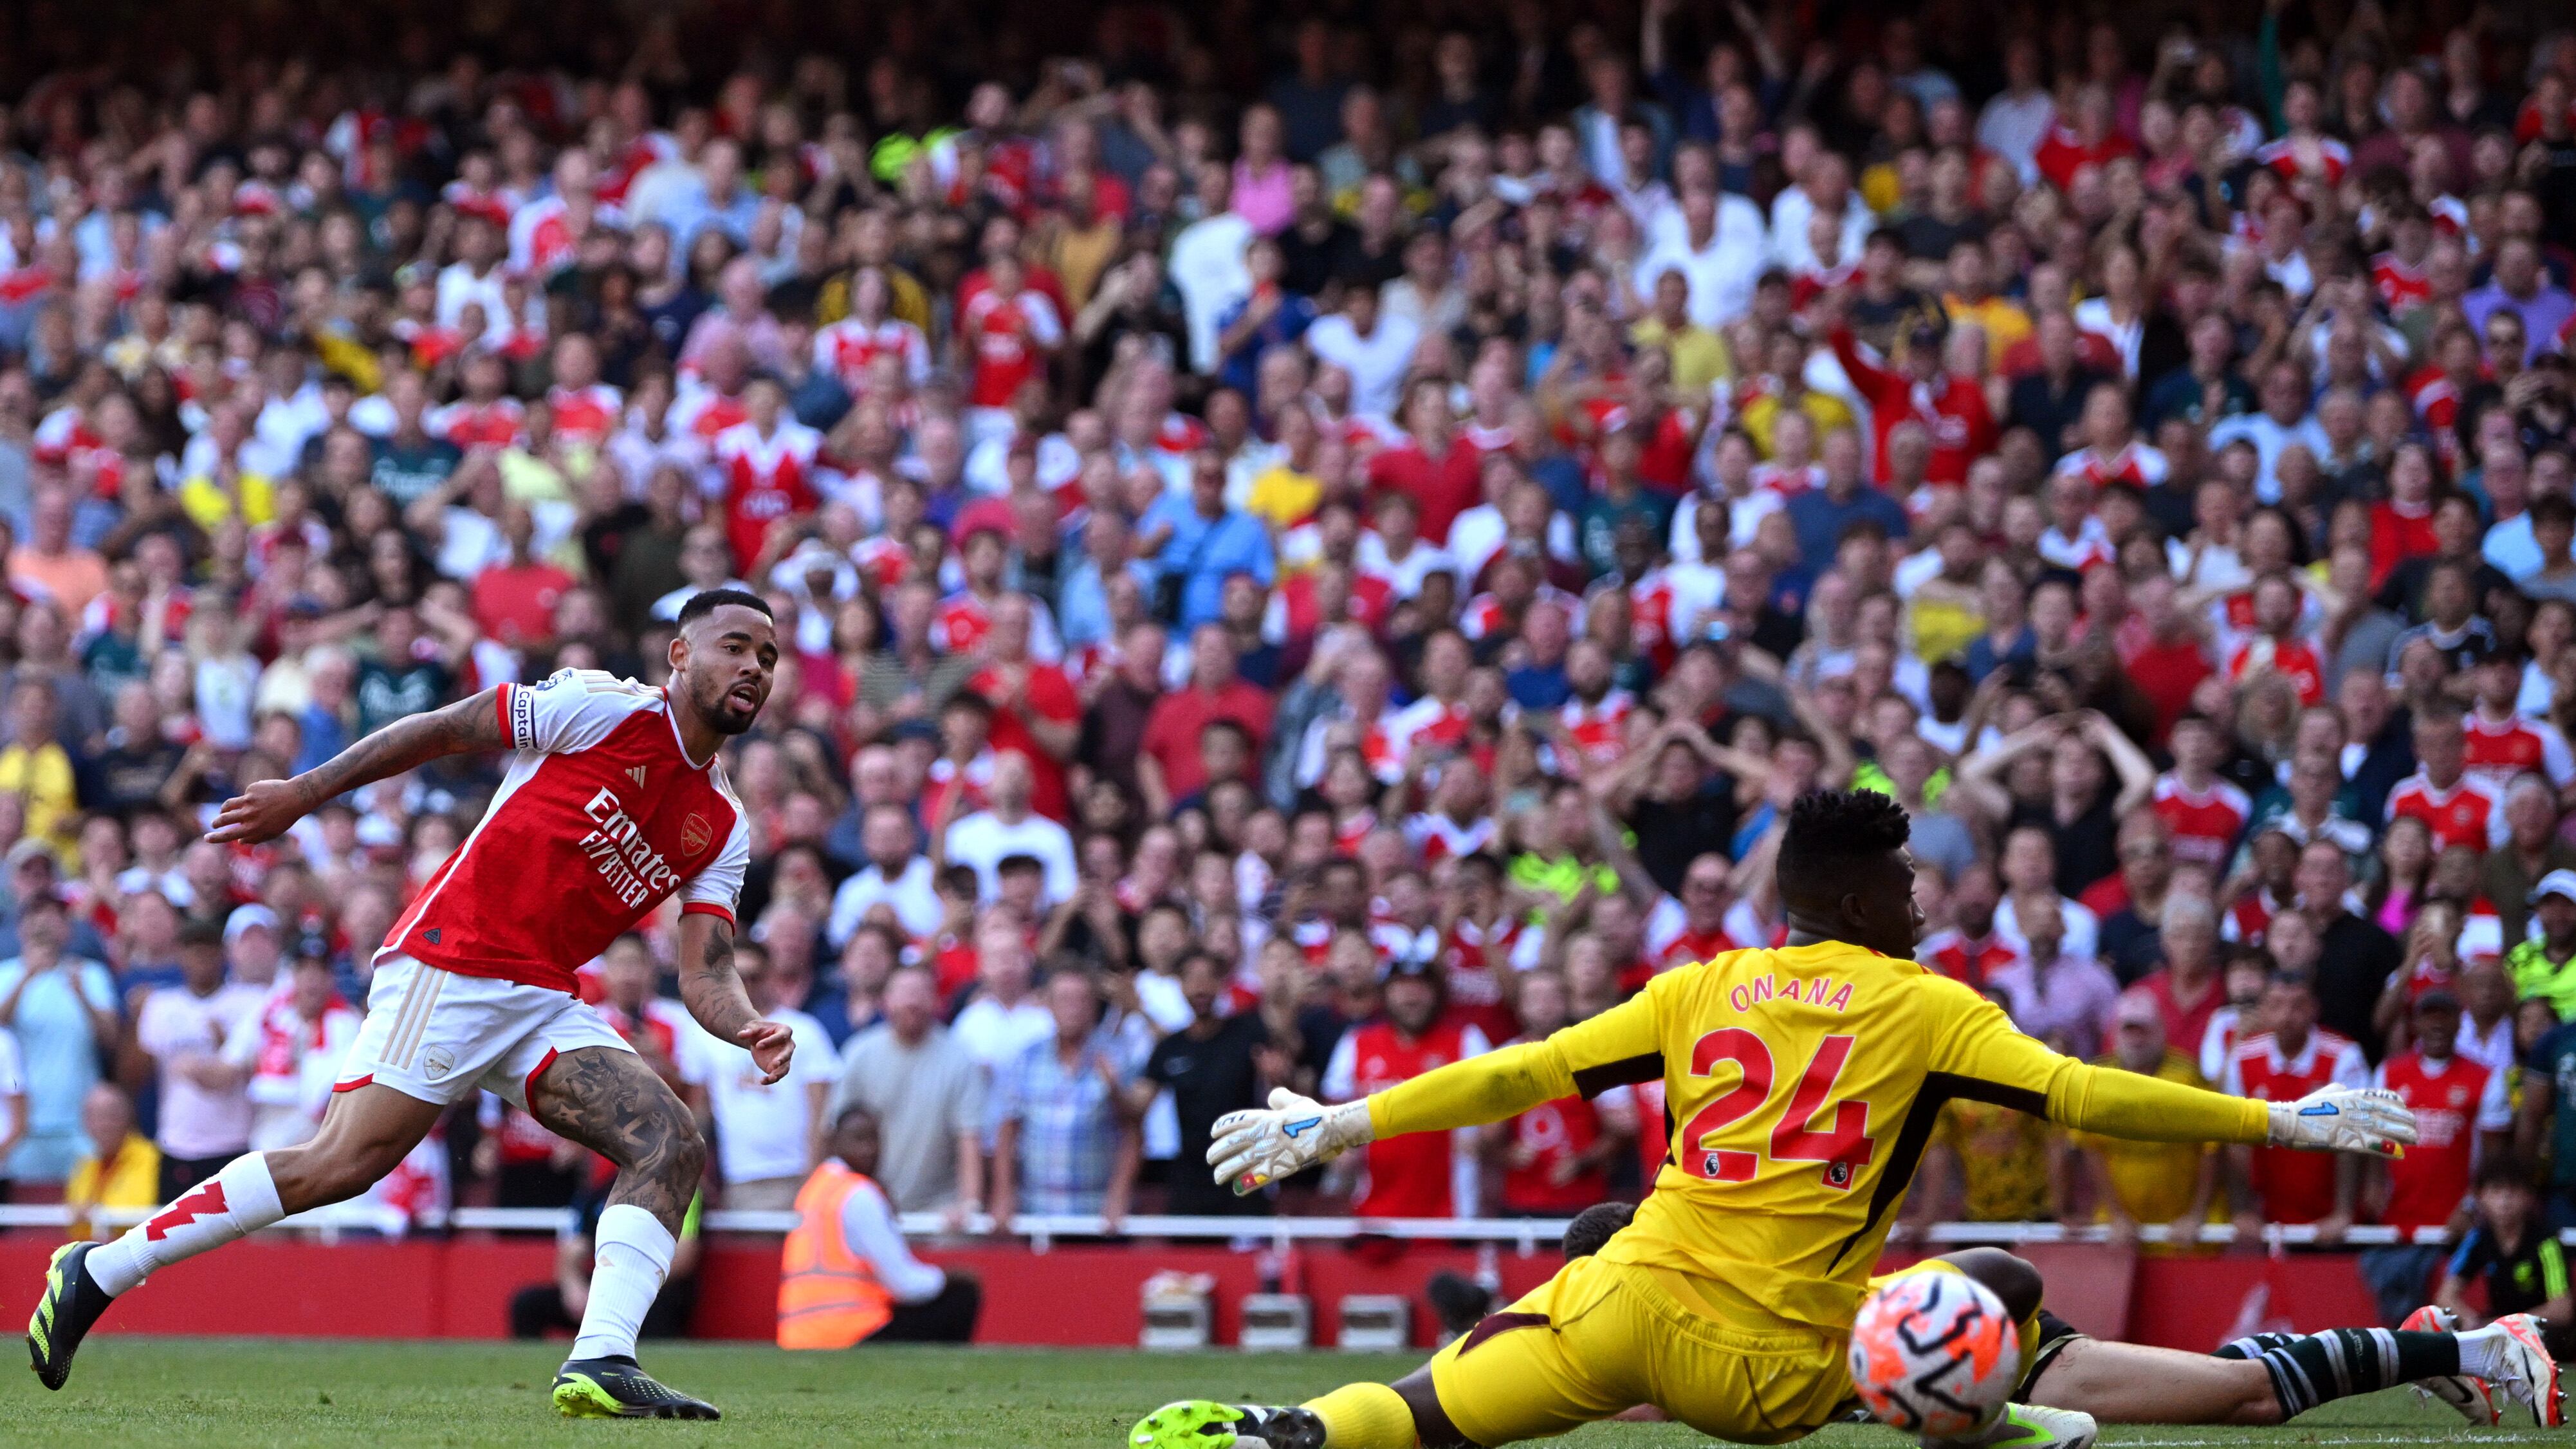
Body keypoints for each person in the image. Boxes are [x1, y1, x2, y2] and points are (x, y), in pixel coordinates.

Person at [1129, 791, 2424, 1449]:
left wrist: (1343, 1120)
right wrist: (2280, 1119)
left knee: (1407, 1414)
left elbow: (1521, 1070)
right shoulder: (1928, 1007)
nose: (1919, 898)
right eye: (1903, 881)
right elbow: (2086, 1096)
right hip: (1773, 1372)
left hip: (1617, 1308)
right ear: (1861, 901)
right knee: (2000, 1284)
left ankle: (1283, 1429)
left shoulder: (1697, 985)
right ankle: (1989, 1406)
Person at [26, 589, 795, 1421]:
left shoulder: (721, 824)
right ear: (681, 656)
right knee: (340, 1163)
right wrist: (306, 793)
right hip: (453, 959)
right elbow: (441, 729)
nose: (753, 667)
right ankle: (101, 1270)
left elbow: (706, 970)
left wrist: (746, 1022)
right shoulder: (601, 708)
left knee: (671, 1141)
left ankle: (601, 1357)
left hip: (539, 996)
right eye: (735, 647)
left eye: (768, 657)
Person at [777, 1105, 984, 1347]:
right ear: (834, 1142)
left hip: (798, 1335)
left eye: (875, 1139)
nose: (869, 1150)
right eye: (858, 1139)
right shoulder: (859, 1193)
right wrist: (953, 1278)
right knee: (962, 1296)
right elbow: (905, 1284)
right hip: (851, 1334)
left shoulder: (815, 1189)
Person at [827, 966, 988, 1221]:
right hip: (869, 1202)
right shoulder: (860, 1053)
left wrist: (970, 1205)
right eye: (904, 993)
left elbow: (969, 1136)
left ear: (937, 1001)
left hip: (940, 1209)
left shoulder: (960, 1059)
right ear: (885, 1001)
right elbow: (835, 1133)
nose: (912, 1001)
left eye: (921, 992)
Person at [1128, 950, 1274, 1217]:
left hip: (1245, 1174)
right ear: (1180, 986)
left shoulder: (1248, 1033)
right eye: (1192, 979)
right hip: (1190, 1179)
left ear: (1221, 984)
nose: (1200, 987)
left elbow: (1283, 1084)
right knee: (1188, 1257)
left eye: (1208, 978)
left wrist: (1278, 1074)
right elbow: (1136, 1108)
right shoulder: (1170, 1047)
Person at [509, 1187, 704, 1345]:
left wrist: (629, 1289)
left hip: (654, 1290)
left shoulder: (681, 1191)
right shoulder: (605, 1191)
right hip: (607, 1288)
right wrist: (574, 1288)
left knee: (659, 1313)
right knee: (527, 1304)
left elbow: (682, 1259)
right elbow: (574, 1250)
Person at [62, 1084, 155, 1241]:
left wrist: (94, 1212)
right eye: (95, 1117)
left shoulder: (152, 1157)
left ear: (129, 1117)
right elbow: (73, 1219)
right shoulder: (85, 1165)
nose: (104, 1125)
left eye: (111, 1115)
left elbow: (144, 1208)